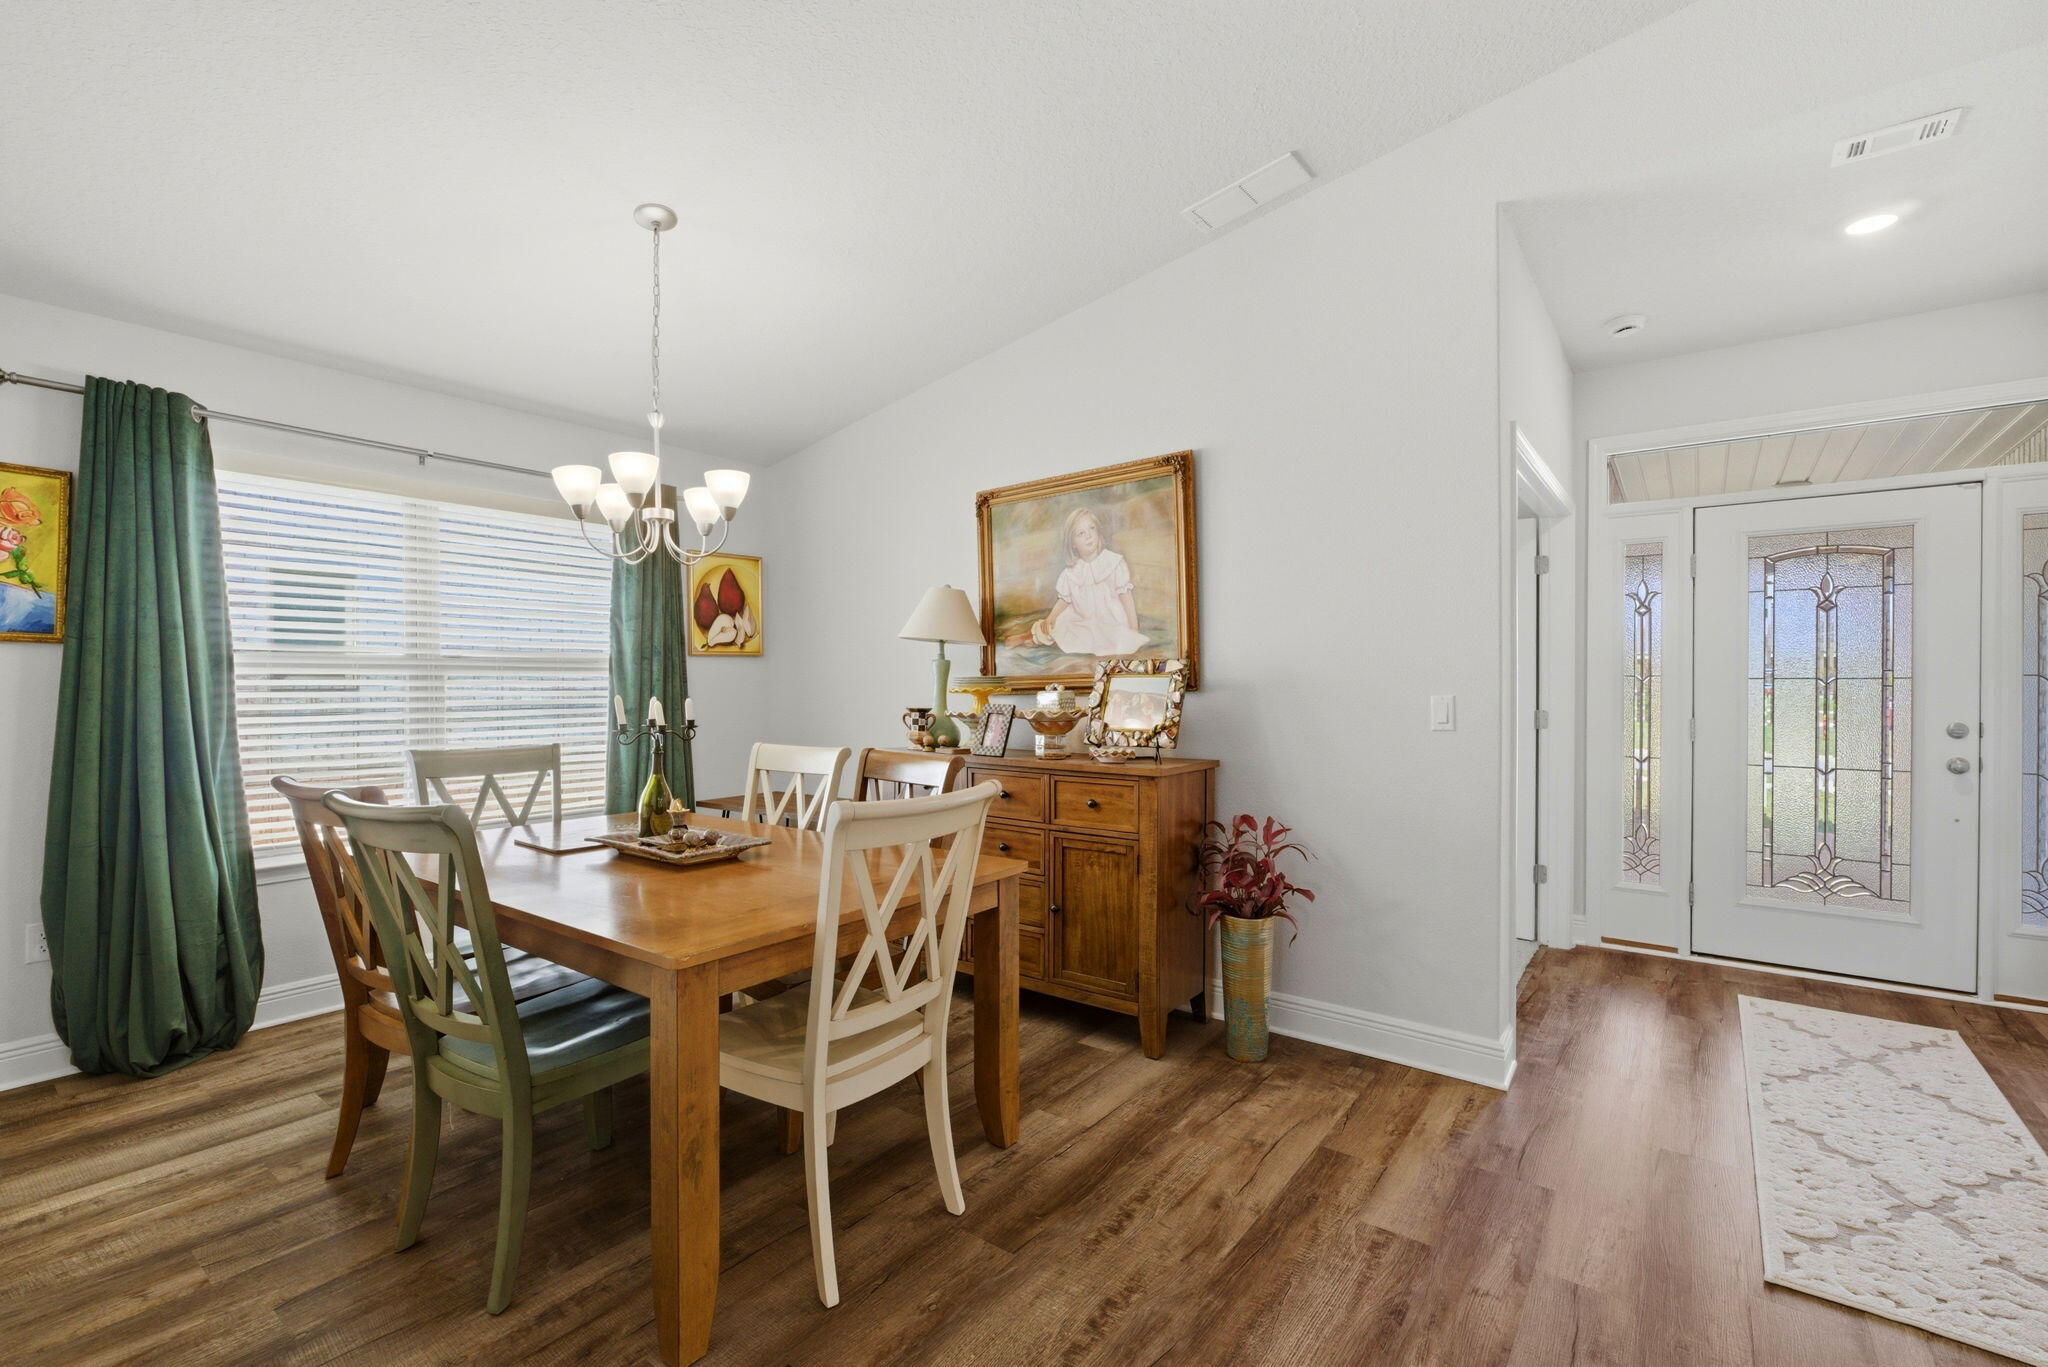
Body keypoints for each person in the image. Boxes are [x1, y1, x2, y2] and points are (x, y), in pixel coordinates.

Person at [1031, 506, 1147, 656]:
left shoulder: (1113, 562)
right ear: (1072, 543)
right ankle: (1032, 638)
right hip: (1083, 619)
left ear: (1098, 531)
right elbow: (1065, 599)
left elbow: (1126, 596)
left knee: (1113, 638)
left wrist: (1134, 627)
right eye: (1081, 533)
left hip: (1110, 621)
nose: (1088, 536)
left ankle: (1033, 638)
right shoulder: (1071, 573)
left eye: (1092, 529)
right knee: (1059, 625)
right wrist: (1051, 616)